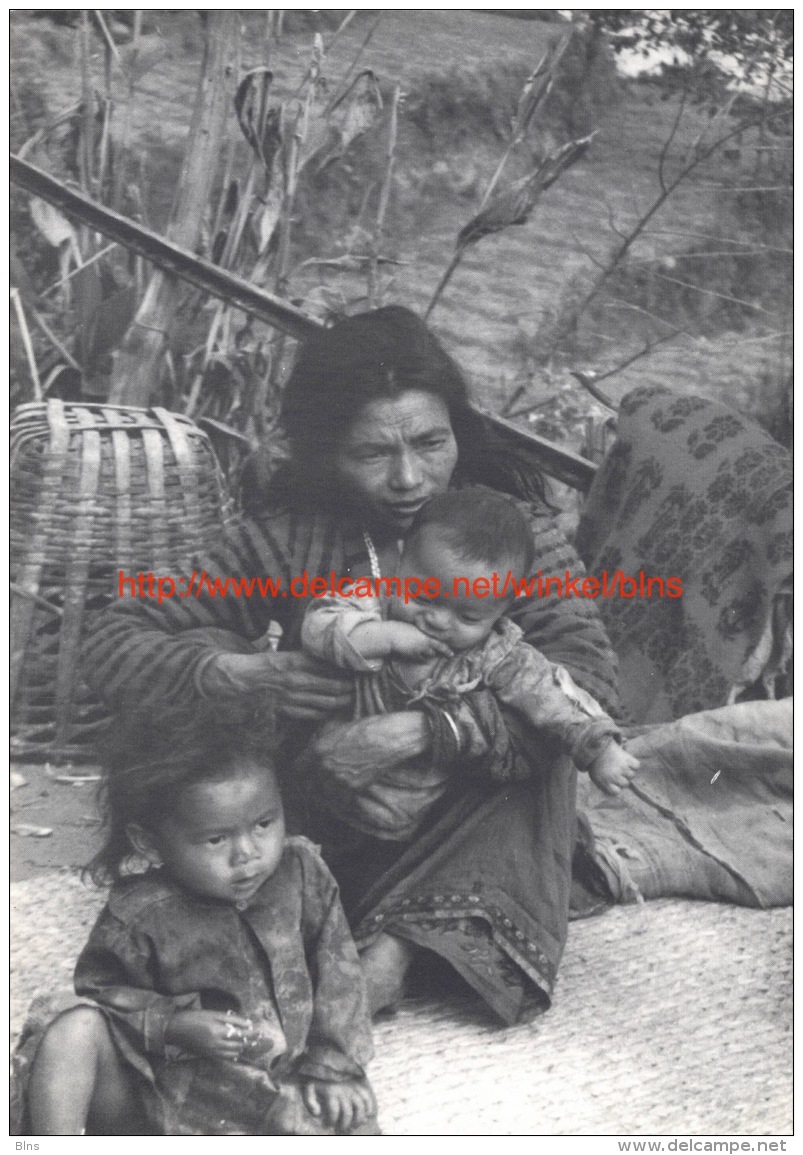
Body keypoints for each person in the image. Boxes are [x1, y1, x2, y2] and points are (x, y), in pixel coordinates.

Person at [83, 305, 623, 1027]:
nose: (410, 479)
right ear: (324, 450)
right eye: (371, 454)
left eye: (431, 443)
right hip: (316, 821)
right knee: (202, 697)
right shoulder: (286, 538)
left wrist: (420, 734)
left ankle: (388, 958)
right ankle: (323, 919)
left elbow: (586, 678)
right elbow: (116, 633)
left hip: (454, 817)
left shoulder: (507, 534)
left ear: (457, 433)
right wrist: (235, 672)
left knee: (550, 738)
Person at [18, 716, 378, 1136]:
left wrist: (332, 1068)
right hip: (158, 1095)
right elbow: (103, 996)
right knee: (70, 1026)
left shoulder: (303, 874)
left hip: (272, 1088)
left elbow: (341, 976)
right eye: (216, 840)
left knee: (349, 1121)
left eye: (264, 824)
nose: (247, 854)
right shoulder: (140, 913)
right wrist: (172, 1025)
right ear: (150, 844)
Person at [300, 487, 639, 841]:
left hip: (393, 824)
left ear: (502, 610)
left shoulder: (496, 654)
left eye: (468, 616)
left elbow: (553, 695)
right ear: (400, 562)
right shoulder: (373, 603)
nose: (439, 621)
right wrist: (384, 636)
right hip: (316, 782)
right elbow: (318, 626)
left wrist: (599, 749)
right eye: (423, 596)